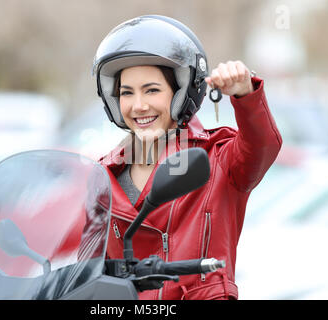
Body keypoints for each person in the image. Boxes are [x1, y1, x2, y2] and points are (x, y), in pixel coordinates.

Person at [92, 15, 282, 300]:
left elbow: (262, 146)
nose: (138, 105)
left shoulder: (218, 158)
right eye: (126, 93)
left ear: (181, 92)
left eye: (152, 90)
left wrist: (246, 94)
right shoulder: (100, 176)